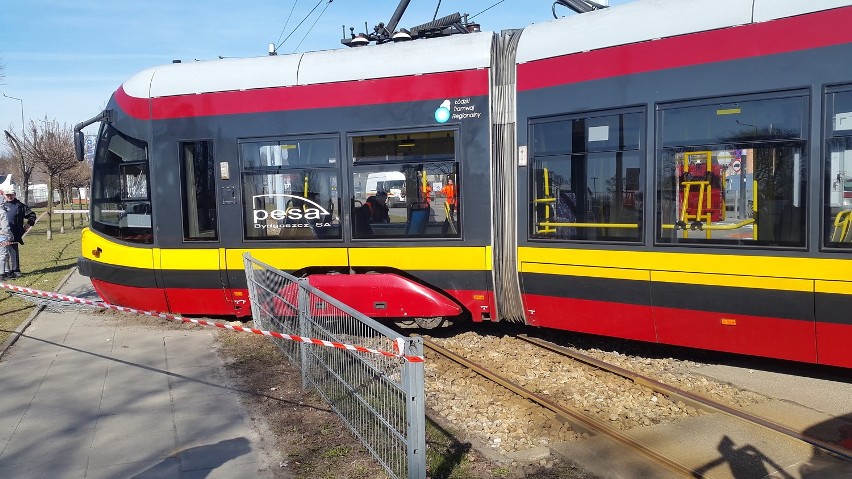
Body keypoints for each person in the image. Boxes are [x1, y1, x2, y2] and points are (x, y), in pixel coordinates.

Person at [3, 187, 36, 278]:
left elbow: (32, 215)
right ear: (4, 195)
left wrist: (28, 225)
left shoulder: (20, 206)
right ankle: (6, 271)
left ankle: (16, 270)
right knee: (3, 253)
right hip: (3, 233)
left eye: (11, 195)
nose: (9, 196)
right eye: (7, 195)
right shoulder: (2, 205)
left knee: (13, 252)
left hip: (14, 233)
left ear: (14, 194)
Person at [0, 191, 13, 280]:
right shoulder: (2, 213)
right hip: (3, 235)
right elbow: (5, 226)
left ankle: (7, 270)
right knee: (3, 254)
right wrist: (9, 235)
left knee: (4, 254)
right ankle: (2, 273)